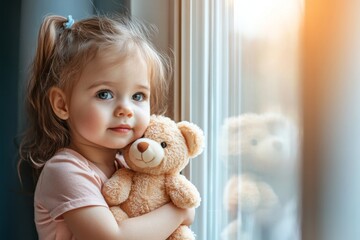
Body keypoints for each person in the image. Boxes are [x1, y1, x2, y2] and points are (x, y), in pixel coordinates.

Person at [18, 14, 194, 240]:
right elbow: (113, 237)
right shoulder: (65, 170)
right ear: (62, 104)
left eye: (138, 95)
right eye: (105, 94)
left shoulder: (126, 166)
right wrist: (179, 211)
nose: (126, 109)